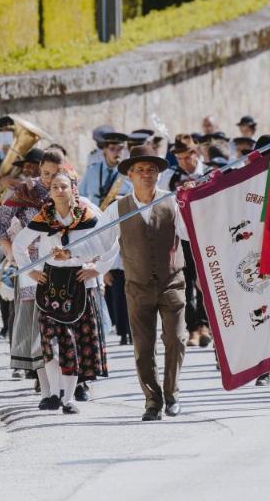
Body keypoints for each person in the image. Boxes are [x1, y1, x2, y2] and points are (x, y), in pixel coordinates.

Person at [13, 171, 116, 414]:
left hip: (78, 284)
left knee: (73, 343)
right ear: (50, 192)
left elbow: (111, 241)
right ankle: (53, 395)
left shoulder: (88, 215)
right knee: (50, 342)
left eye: (64, 186)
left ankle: (68, 398)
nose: (60, 191)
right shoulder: (44, 217)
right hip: (50, 284)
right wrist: (31, 271)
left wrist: (98, 269)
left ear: (72, 190)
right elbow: (19, 244)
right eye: (55, 187)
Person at [102, 144, 189, 421]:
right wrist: (76, 257)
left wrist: (194, 202)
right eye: (139, 170)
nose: (146, 174)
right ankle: (152, 401)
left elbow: (191, 233)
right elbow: (100, 241)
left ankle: (172, 394)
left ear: (158, 174)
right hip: (137, 286)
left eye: (151, 169)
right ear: (130, 175)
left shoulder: (173, 202)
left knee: (176, 339)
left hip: (171, 283)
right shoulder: (118, 208)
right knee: (143, 348)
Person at [0, 148, 64, 380]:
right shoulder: (26, 190)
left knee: (59, 318)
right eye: (46, 173)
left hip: (60, 261)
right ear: (40, 169)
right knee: (32, 318)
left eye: (55, 173)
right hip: (29, 261)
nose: (49, 179)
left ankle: (64, 376)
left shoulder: (67, 189)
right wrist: (9, 250)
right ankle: (35, 371)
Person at [80, 132, 132, 346]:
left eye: (120, 148)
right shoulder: (92, 171)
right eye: (112, 148)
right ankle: (100, 325)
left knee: (120, 277)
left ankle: (125, 329)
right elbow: (82, 197)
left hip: (119, 228)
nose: (116, 152)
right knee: (100, 278)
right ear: (104, 150)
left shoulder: (128, 174)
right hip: (95, 227)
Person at [161, 135, 210, 348]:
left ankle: (205, 325)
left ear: (195, 153)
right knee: (186, 282)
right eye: (178, 158)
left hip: (205, 235)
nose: (182, 162)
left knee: (205, 281)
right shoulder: (170, 176)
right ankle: (192, 328)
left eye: (186, 157)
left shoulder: (209, 172)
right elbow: (163, 203)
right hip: (180, 236)